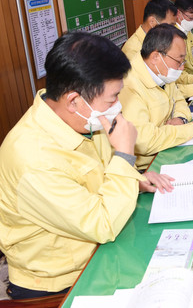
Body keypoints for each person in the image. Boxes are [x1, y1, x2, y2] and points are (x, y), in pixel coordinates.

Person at [0, 32, 173, 299]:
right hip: (65, 280)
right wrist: (125, 155)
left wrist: (133, 176)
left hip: (100, 251)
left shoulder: (84, 119)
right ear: (73, 100)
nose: (117, 107)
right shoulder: (32, 158)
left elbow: (96, 178)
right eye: (112, 98)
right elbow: (103, 223)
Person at [119, 24, 193, 170]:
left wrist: (181, 119)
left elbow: (178, 99)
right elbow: (144, 141)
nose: (182, 67)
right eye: (179, 61)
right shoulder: (129, 85)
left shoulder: (162, 72)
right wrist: (191, 130)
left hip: (170, 148)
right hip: (148, 167)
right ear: (156, 57)